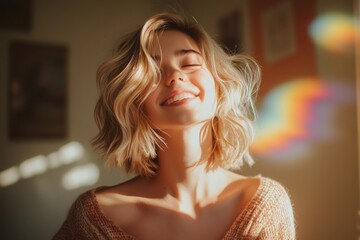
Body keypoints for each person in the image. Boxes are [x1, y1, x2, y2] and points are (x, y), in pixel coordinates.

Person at [54, 12, 295, 240]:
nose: (174, 76)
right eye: (153, 72)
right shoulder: (94, 218)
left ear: (219, 85)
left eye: (189, 63)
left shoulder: (265, 205)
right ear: (134, 103)